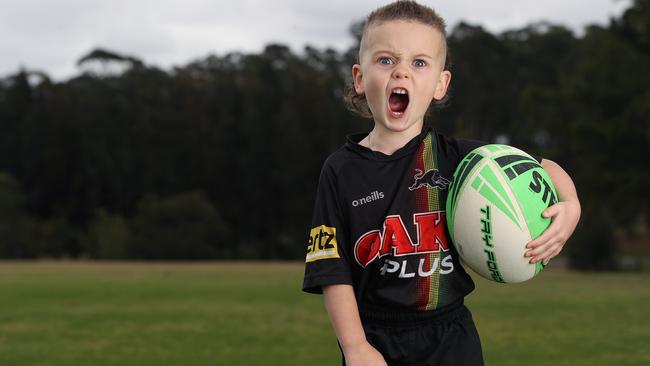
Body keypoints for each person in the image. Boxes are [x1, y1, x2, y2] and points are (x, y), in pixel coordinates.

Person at [302, 1, 581, 365]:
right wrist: (355, 347)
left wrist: (571, 205)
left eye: (419, 63)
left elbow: (545, 167)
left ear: (439, 83)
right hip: (375, 338)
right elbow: (331, 269)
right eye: (386, 60)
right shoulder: (340, 170)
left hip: (451, 337)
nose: (401, 73)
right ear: (359, 77)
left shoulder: (463, 161)